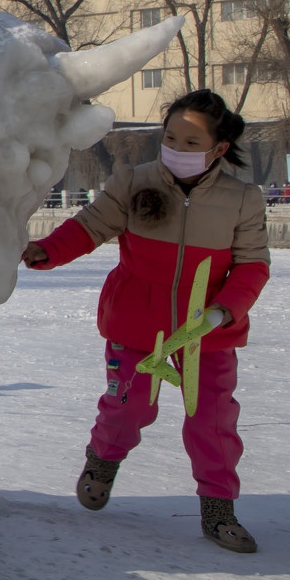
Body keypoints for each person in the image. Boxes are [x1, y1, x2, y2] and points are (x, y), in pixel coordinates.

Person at [21, 90, 270, 554]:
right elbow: (90, 225)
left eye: (191, 142)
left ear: (218, 148)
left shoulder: (243, 199)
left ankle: (219, 508)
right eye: (171, 136)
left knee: (212, 419)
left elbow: (253, 264)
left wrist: (223, 311)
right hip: (138, 323)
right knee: (130, 406)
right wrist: (47, 250)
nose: (176, 147)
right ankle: (102, 461)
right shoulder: (132, 181)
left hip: (206, 332)